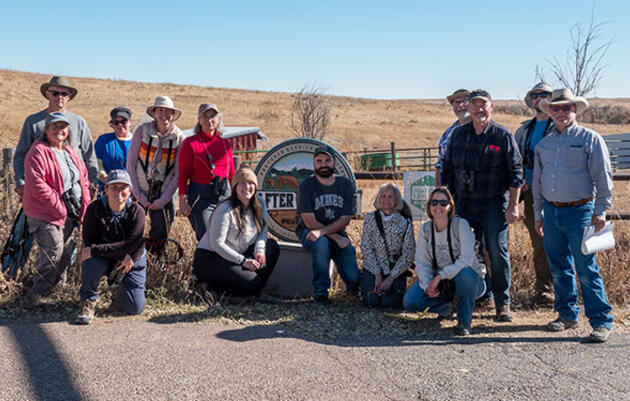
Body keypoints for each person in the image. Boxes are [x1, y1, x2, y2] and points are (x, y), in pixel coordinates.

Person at [533, 88, 614, 343]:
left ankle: (601, 320)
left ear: (575, 110)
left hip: (581, 211)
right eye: (555, 108)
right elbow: (537, 182)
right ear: (550, 112)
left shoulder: (590, 138)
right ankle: (567, 314)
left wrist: (601, 210)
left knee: (586, 267)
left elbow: (603, 176)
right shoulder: (544, 144)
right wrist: (538, 213)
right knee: (559, 267)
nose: (560, 113)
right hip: (552, 211)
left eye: (565, 108)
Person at [441, 89, 523, 322]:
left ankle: (502, 303)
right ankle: (468, 297)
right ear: (470, 107)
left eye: (483, 105)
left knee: (496, 251)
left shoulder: (502, 135)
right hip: (464, 204)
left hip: (493, 205)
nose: (478, 109)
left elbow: (516, 173)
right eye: (474, 105)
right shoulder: (459, 135)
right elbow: (447, 169)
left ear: (491, 107)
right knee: (463, 251)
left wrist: (513, 206)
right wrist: (446, 200)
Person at [22, 112, 91, 299]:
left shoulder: (70, 152)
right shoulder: (38, 151)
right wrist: (59, 206)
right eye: (54, 127)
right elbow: (37, 184)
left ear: (68, 131)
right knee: (53, 252)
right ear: (46, 130)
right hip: (45, 212)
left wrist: (84, 204)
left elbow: (83, 179)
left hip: (71, 211)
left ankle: (58, 291)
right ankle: (37, 295)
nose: (59, 131)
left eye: (63, 127)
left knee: (67, 252)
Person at [403, 187, 486, 336]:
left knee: (466, 274)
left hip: (469, 281)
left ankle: (464, 322)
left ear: (450, 207)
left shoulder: (461, 225)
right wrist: (428, 284)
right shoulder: (425, 229)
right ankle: (447, 308)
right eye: (434, 202)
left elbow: (467, 260)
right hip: (441, 284)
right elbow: (422, 262)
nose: (438, 207)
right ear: (429, 206)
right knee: (410, 301)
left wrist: (439, 276)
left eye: (443, 203)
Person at [192, 167, 279, 298]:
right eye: (242, 183)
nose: (246, 187)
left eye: (250, 183)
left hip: (237, 254)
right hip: (212, 258)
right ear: (234, 187)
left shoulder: (260, 203)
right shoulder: (225, 209)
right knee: (251, 282)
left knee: (272, 247)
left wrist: (260, 250)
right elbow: (216, 243)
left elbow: (263, 231)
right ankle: (210, 288)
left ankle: (255, 291)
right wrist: (243, 261)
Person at [75, 170, 147, 324]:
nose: (118, 192)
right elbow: (89, 243)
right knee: (91, 262)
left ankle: (120, 295)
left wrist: (130, 255)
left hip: (132, 256)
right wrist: (121, 254)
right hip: (106, 257)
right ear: (105, 189)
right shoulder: (94, 209)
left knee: (134, 308)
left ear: (130, 191)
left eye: (123, 188)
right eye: (113, 187)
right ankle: (88, 300)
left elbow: (135, 243)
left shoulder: (138, 211)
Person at [296, 145, 360, 304]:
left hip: (336, 231)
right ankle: (321, 293)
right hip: (309, 231)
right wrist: (333, 237)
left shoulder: (345, 185)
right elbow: (309, 221)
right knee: (322, 243)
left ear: (335, 162)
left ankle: (353, 290)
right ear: (314, 163)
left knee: (353, 277)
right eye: (319, 161)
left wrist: (330, 234)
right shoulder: (306, 186)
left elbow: (345, 218)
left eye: (327, 160)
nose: (323, 164)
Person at [14, 76, 98, 194]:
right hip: (42, 188)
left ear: (69, 97)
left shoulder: (79, 122)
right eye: (55, 93)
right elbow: (21, 154)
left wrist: (92, 184)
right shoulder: (33, 121)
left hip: (76, 188)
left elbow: (89, 155)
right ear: (47, 94)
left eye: (64, 94)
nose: (60, 97)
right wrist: (21, 182)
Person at [514, 82, 554, 305]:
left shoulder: (558, 125)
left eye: (544, 95)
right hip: (531, 195)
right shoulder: (524, 130)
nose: (540, 99)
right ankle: (544, 291)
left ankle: (563, 292)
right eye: (535, 95)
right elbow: (515, 161)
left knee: (558, 243)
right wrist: (522, 183)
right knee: (538, 244)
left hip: (556, 194)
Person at [127, 96, 183, 254]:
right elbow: (130, 164)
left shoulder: (179, 138)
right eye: (160, 110)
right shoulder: (142, 131)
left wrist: (163, 200)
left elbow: (178, 173)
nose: (164, 114)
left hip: (164, 193)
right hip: (139, 189)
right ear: (154, 113)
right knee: (132, 231)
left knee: (160, 235)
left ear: (173, 114)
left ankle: (154, 266)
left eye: (168, 111)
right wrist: (138, 195)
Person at [179, 103, 235, 241]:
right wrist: (182, 199)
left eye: (213, 116)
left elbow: (232, 173)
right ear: (199, 119)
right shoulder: (190, 143)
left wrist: (236, 198)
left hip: (224, 194)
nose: (209, 120)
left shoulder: (225, 143)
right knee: (206, 237)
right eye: (205, 116)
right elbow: (183, 173)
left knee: (226, 237)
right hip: (200, 196)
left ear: (219, 118)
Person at [359, 183, 415, 308]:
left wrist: (390, 278)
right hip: (373, 268)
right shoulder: (370, 219)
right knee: (371, 301)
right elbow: (366, 247)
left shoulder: (405, 222)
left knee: (390, 303)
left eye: (390, 197)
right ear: (379, 198)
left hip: (395, 270)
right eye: (383, 196)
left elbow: (408, 253)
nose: (386, 200)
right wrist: (377, 275)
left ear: (396, 200)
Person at [434, 89, 472, 186]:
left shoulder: (482, 129)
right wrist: (438, 190)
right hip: (452, 188)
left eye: (464, 101)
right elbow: (439, 165)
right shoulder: (448, 133)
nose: (461, 105)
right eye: (457, 102)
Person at [94, 107, 134, 190]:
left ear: (130, 122)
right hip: (108, 188)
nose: (120, 125)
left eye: (123, 122)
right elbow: (97, 165)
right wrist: (108, 180)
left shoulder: (137, 141)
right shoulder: (103, 140)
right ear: (112, 125)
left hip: (132, 189)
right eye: (116, 122)